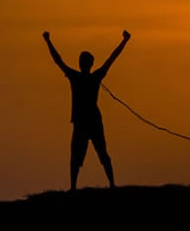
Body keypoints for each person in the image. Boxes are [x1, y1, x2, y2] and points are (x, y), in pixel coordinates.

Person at [43, 29, 131, 191]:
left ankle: (76, 187)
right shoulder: (93, 76)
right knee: (95, 153)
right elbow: (111, 59)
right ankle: (107, 185)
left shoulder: (76, 77)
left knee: (87, 155)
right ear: (91, 64)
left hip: (85, 121)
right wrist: (125, 41)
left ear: (83, 64)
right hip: (90, 120)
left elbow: (58, 61)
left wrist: (48, 41)